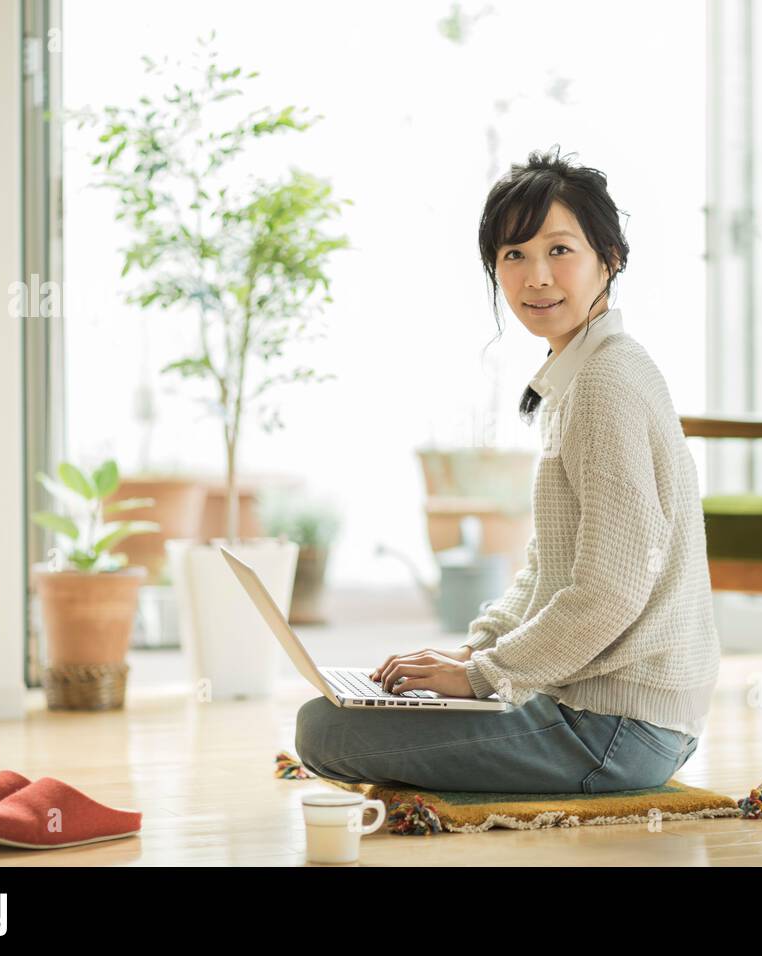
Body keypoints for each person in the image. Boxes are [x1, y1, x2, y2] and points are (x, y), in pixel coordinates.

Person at [294, 146, 719, 794]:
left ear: (611, 258)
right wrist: (476, 653)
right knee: (338, 717)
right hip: (603, 715)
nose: (536, 276)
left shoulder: (607, 384)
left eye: (559, 250)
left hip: (616, 729)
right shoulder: (580, 374)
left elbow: (612, 589)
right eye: (513, 255)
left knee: (328, 731)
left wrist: (484, 677)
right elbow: (548, 566)